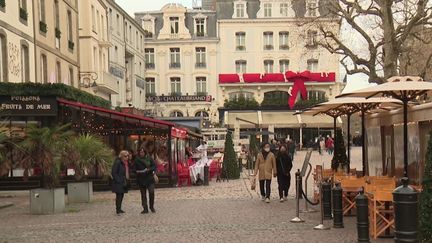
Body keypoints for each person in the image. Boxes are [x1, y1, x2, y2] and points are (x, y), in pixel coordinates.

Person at [135, 142, 157, 214]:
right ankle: (145, 208)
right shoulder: (137, 160)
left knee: (151, 192)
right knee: (143, 194)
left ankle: (151, 206)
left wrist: (148, 170)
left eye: (142, 152)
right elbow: (133, 169)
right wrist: (137, 171)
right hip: (141, 179)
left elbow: (154, 166)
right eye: (140, 152)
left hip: (149, 178)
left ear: (145, 152)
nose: (141, 153)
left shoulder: (149, 158)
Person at [111, 150, 130, 215]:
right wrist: (118, 180)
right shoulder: (118, 162)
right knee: (119, 196)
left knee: (121, 195)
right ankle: (118, 209)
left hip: (123, 181)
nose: (127, 157)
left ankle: (119, 208)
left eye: (128, 156)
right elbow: (114, 172)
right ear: (121, 156)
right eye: (125, 156)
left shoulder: (125, 163)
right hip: (118, 182)